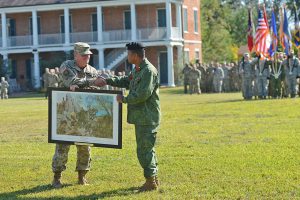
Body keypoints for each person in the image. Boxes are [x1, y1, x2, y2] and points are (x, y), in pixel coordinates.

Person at [94, 42, 161, 192]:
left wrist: (123, 99)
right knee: (147, 149)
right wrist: (107, 80)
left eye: (129, 54)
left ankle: (151, 182)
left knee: (144, 150)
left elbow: (143, 94)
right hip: (141, 117)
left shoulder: (148, 71)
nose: (127, 56)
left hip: (147, 117)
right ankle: (153, 178)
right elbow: (126, 81)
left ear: (135, 56)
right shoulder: (137, 69)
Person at [51, 42, 98, 188]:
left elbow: (96, 92)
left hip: (84, 116)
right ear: (75, 55)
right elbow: (72, 81)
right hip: (66, 113)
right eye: (84, 55)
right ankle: (57, 177)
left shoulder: (92, 70)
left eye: (88, 55)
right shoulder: (66, 66)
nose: (87, 57)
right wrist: (92, 82)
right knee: (62, 146)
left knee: (85, 146)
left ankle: (82, 176)